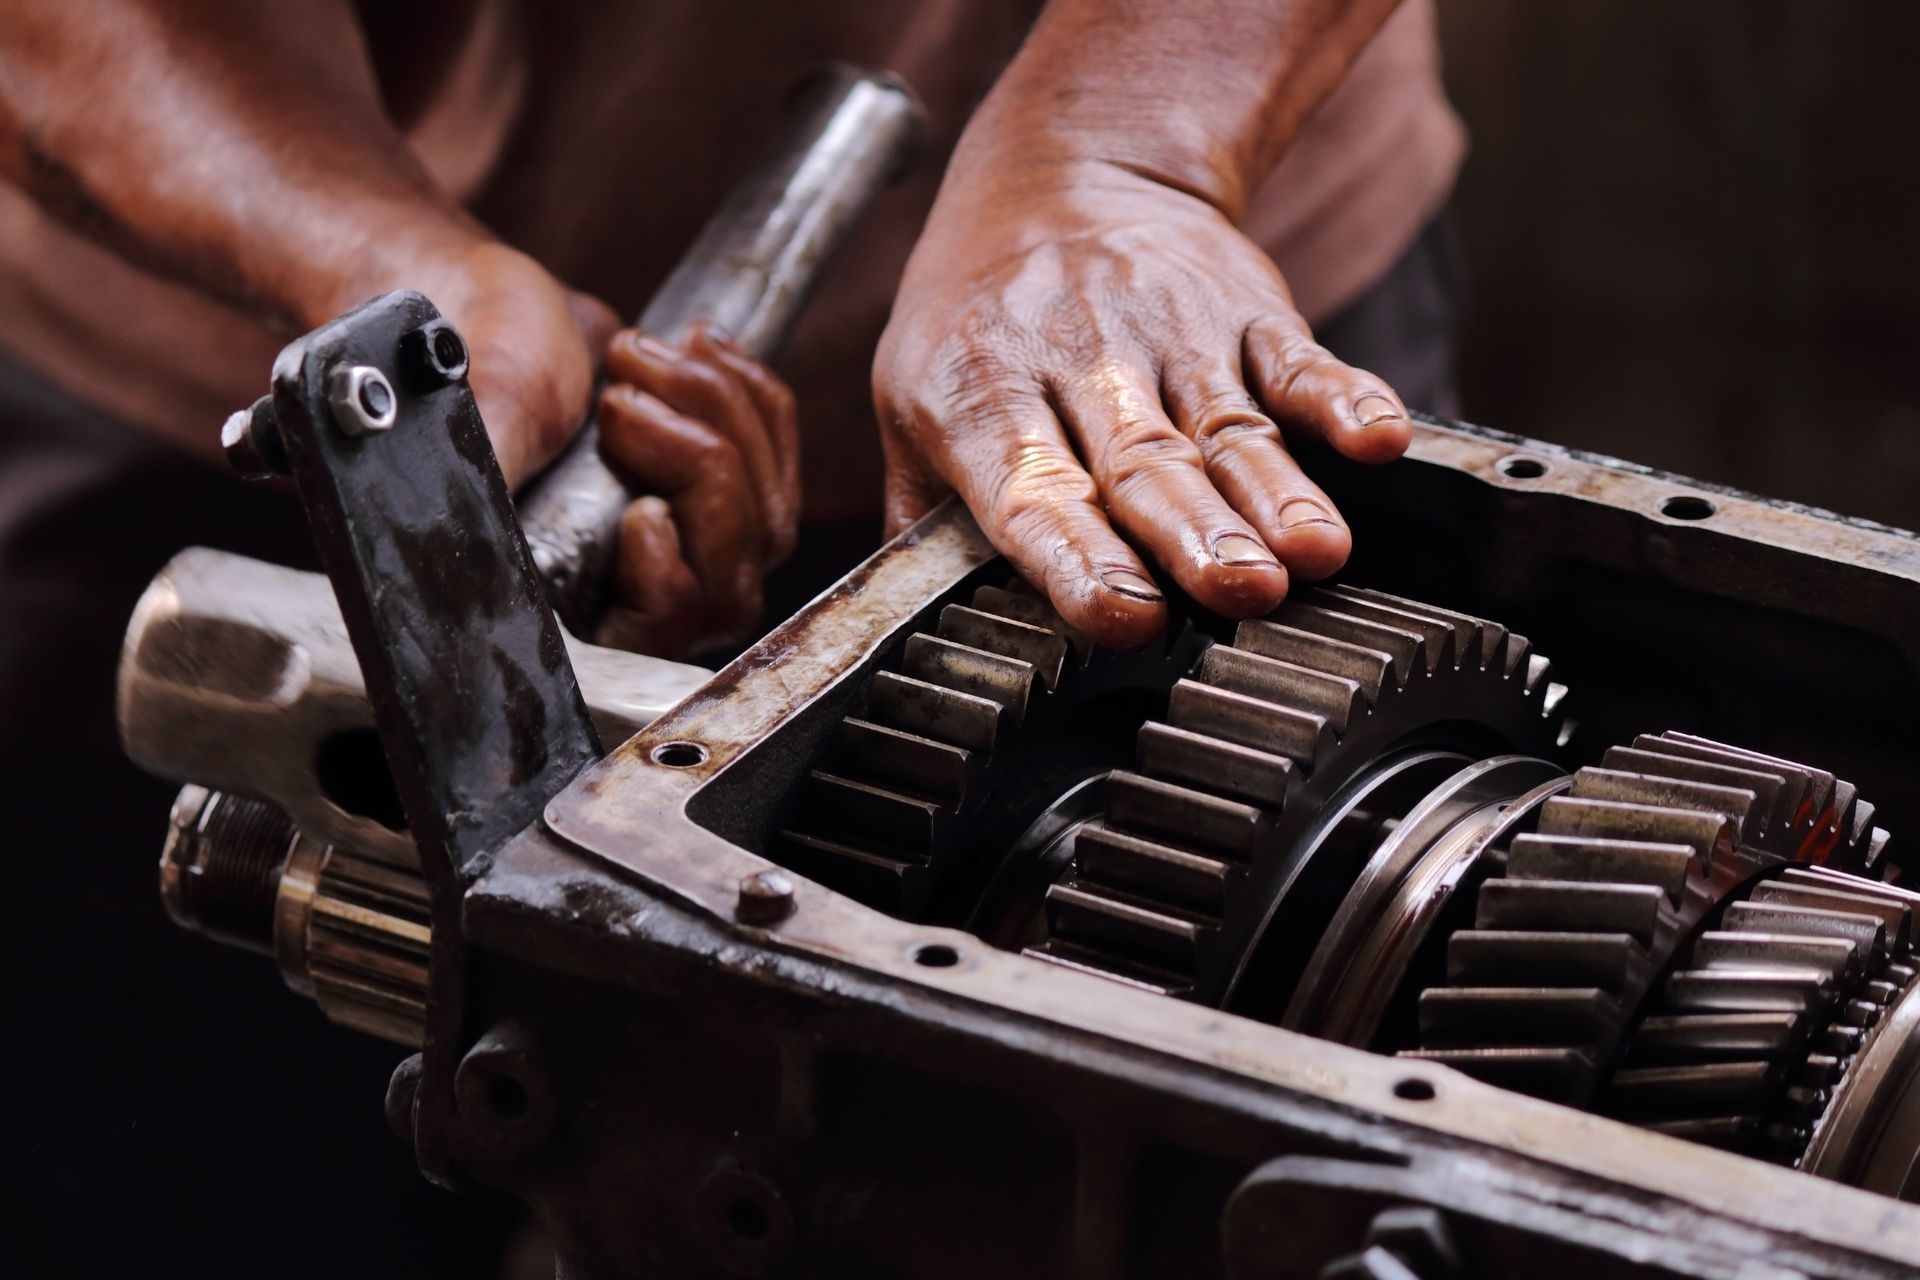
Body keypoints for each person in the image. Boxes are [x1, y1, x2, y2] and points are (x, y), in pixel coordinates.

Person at [0, 1, 1464, 1273]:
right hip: (232, 278)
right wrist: (365, 265)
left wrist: (1131, 150)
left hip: (1150, 337)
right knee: (185, 1167)